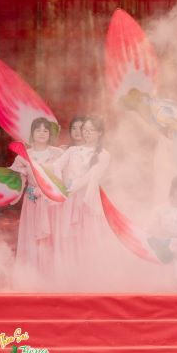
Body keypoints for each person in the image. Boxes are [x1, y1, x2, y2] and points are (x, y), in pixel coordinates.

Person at [51, 116, 110, 287]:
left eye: (91, 130)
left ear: (99, 133)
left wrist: (73, 187)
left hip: (87, 200)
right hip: (70, 199)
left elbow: (92, 175)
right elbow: (56, 166)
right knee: (69, 236)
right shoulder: (72, 151)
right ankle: (70, 276)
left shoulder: (104, 154)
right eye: (85, 130)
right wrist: (60, 183)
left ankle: (91, 277)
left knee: (89, 237)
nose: (87, 133)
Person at [10, 118, 63, 288]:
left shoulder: (59, 154)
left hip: (53, 203)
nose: (42, 133)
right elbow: (15, 180)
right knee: (32, 237)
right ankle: (32, 278)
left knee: (53, 237)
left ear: (50, 134)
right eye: (38, 130)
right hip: (33, 201)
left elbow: (67, 177)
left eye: (45, 130)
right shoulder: (23, 156)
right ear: (32, 133)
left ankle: (53, 278)